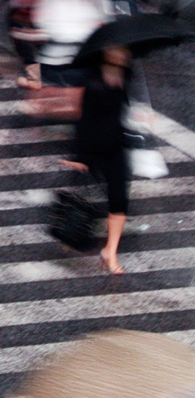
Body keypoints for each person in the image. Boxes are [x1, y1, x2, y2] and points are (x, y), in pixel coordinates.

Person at [62, 45, 132, 274]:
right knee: (85, 197)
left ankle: (110, 251)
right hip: (94, 148)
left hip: (116, 147)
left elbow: (121, 111)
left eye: (124, 52)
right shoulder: (93, 81)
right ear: (106, 53)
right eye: (116, 51)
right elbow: (82, 120)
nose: (121, 55)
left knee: (119, 198)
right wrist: (79, 156)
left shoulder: (126, 76)